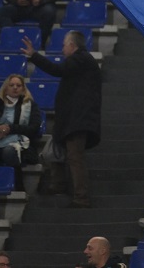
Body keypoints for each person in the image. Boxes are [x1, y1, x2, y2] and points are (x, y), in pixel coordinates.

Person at [22, 31, 101, 209]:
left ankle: (81, 197)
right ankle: (58, 185)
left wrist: (34, 55)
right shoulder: (83, 61)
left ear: (73, 45)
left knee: (74, 157)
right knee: (60, 149)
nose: (62, 48)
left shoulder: (79, 59)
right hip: (73, 119)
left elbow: (57, 70)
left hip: (77, 120)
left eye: (65, 44)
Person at [0, 74, 43, 190]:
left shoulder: (30, 105)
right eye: (11, 85)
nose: (15, 88)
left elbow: (34, 128)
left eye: (18, 85)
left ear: (23, 88)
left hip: (20, 142)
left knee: (9, 151)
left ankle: (17, 186)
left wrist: (10, 128)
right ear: (6, 88)